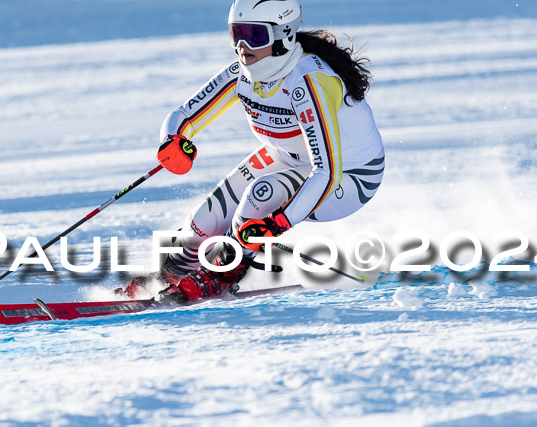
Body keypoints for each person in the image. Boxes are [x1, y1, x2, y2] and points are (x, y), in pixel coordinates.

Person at [124, 0, 385, 301]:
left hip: (350, 176)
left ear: (284, 35)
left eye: (255, 36)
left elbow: (327, 171)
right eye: (236, 33)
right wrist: (173, 139)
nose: (242, 46)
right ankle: (170, 274)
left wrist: (281, 221)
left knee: (258, 197)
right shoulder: (243, 73)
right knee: (201, 223)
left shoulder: (309, 82)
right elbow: (185, 115)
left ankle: (222, 273)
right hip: (290, 158)